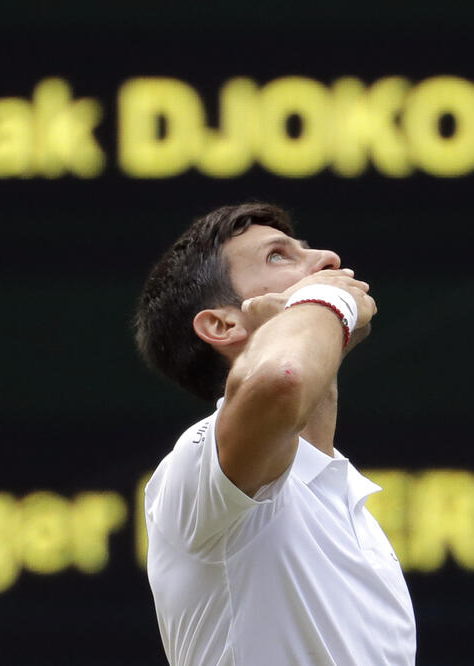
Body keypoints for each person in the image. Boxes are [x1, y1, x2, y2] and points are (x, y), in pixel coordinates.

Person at [134, 203, 416, 665]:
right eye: (279, 257)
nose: (326, 259)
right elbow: (282, 377)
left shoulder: (354, 514)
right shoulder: (196, 467)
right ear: (223, 324)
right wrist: (329, 298)